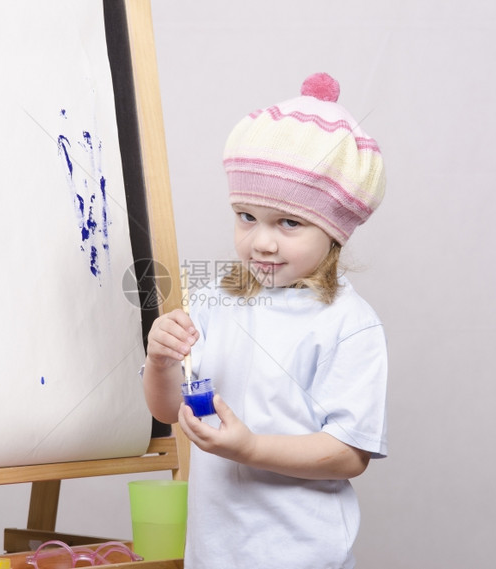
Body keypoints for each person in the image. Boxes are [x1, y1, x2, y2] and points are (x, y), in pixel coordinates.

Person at [141, 72, 388, 569]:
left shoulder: (349, 324)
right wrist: (162, 362)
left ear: (335, 232)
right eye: (246, 216)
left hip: (300, 553)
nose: (261, 241)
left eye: (289, 222)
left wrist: (250, 448)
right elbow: (171, 411)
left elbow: (349, 454)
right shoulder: (216, 301)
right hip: (215, 552)